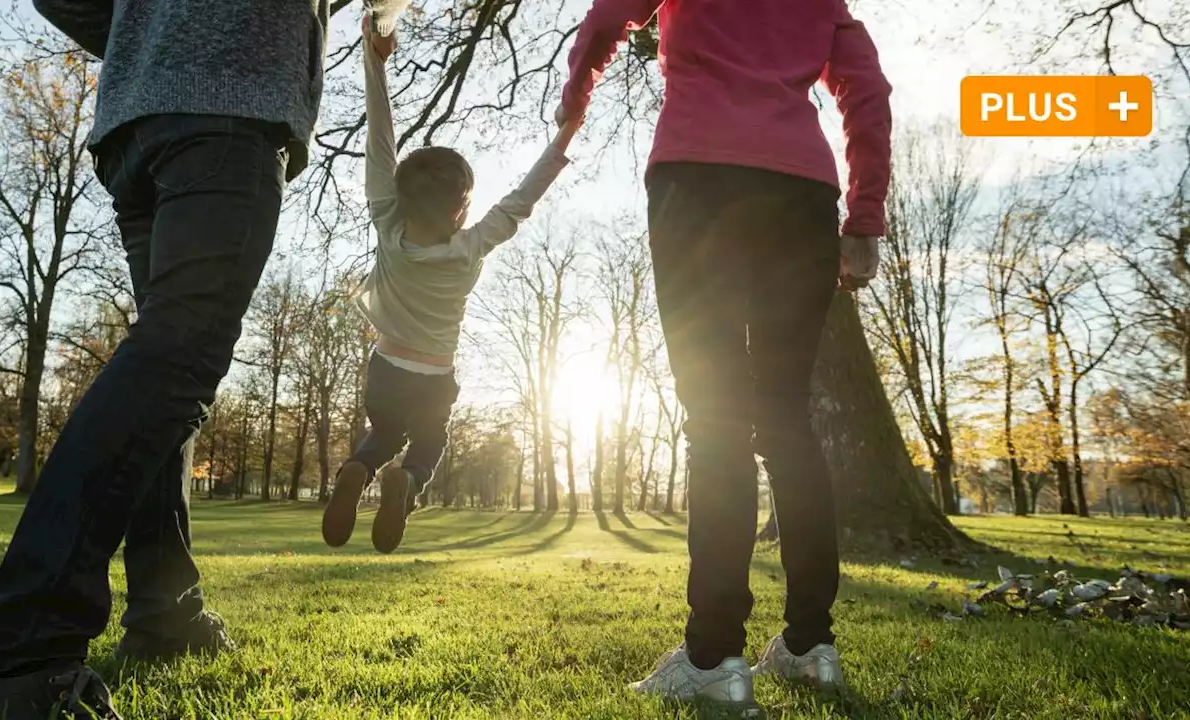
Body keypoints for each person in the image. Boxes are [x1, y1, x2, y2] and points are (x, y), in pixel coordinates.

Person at [0, 0, 348, 716]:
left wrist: (145, 32)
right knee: (178, 356)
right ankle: (11, 652)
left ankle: (166, 616)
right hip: (228, 104)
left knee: (165, 373)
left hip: (138, 123)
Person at [557, 0, 890, 710]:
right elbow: (866, 86)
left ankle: (714, 655)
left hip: (697, 176)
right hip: (802, 190)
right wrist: (864, 214)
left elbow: (608, 17)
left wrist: (575, 101)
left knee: (715, 416)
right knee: (786, 419)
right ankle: (809, 645)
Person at [319, 16, 580, 554]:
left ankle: (356, 470)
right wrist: (564, 134)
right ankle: (407, 482)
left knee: (384, 434)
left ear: (400, 195)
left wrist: (375, 58)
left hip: (385, 369)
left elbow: (380, 139)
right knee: (427, 444)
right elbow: (522, 200)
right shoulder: (471, 247)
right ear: (462, 208)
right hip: (434, 376)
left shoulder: (388, 227)